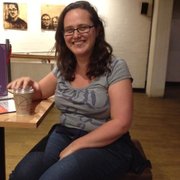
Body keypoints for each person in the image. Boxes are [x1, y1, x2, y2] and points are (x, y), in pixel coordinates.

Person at [7, 1, 150, 180]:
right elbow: (41, 92)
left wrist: (76, 146)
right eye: (69, 30)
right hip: (65, 133)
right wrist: (29, 84)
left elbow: (121, 123)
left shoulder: (115, 67)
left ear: (97, 30)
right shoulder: (64, 67)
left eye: (83, 28)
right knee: (20, 177)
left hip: (108, 144)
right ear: (63, 35)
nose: (76, 35)